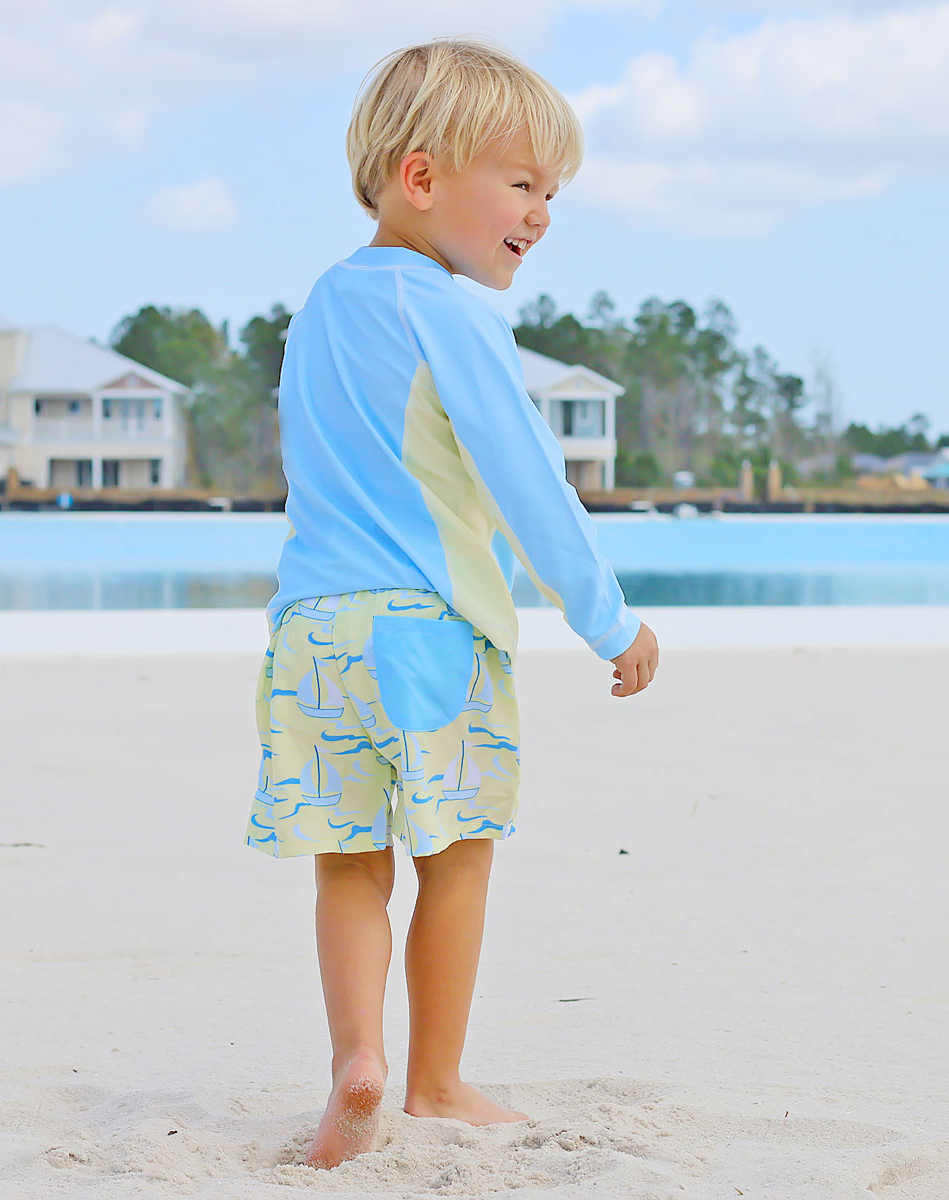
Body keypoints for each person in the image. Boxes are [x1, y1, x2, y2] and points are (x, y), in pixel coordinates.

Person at [244, 36, 659, 1170]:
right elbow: (528, 481)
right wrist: (608, 618)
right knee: (458, 853)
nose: (543, 212)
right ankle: (431, 1078)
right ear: (422, 178)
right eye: (523, 183)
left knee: (347, 861)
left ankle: (353, 1061)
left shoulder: (324, 305)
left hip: (312, 634)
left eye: (552, 192)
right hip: (431, 631)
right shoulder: (454, 311)